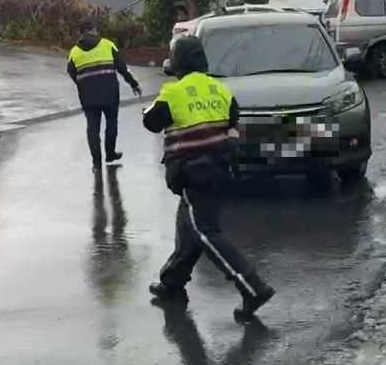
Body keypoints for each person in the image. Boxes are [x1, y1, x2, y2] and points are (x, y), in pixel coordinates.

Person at [142, 35, 275, 321]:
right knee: (188, 229)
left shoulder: (173, 92)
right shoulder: (220, 89)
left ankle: (253, 287)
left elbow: (151, 121)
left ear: (175, 62)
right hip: (219, 170)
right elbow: (233, 119)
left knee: (204, 231)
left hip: (192, 173)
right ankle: (172, 283)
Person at [67, 17, 142, 172]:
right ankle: (110, 154)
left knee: (92, 129)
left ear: (80, 33)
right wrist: (134, 84)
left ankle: (96, 163)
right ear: (93, 29)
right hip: (110, 94)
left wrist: (83, 83)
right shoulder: (107, 45)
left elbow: (71, 72)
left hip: (88, 98)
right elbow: (122, 68)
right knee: (111, 124)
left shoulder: (74, 52)